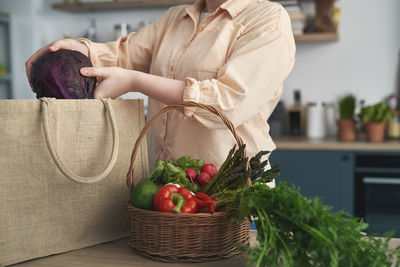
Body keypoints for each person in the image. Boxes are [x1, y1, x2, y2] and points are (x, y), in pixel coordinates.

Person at [26, 0, 295, 185]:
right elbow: (124, 54)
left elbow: (228, 103)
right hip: (167, 192)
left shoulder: (268, 19)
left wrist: (136, 82)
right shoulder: (175, 18)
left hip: (232, 199)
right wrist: (75, 48)